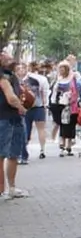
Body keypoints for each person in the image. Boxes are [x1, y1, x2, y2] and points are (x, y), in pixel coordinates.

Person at [0, 51, 29, 198]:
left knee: (13, 154)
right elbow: (11, 98)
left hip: (13, 118)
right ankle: (3, 189)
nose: (10, 57)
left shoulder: (10, 75)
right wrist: (21, 108)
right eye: (5, 55)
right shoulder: (3, 76)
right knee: (3, 154)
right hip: (6, 118)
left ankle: (10, 188)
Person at [49, 61, 81, 156]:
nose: (61, 70)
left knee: (71, 125)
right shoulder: (58, 79)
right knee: (63, 124)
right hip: (60, 105)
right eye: (60, 69)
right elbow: (54, 92)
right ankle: (62, 144)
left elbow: (76, 91)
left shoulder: (73, 78)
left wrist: (72, 100)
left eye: (63, 69)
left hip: (71, 105)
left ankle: (69, 145)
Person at [23, 60, 49, 159]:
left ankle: (24, 149)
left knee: (26, 129)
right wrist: (45, 105)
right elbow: (45, 93)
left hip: (27, 107)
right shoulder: (43, 79)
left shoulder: (25, 79)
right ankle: (42, 150)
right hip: (39, 106)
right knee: (41, 129)